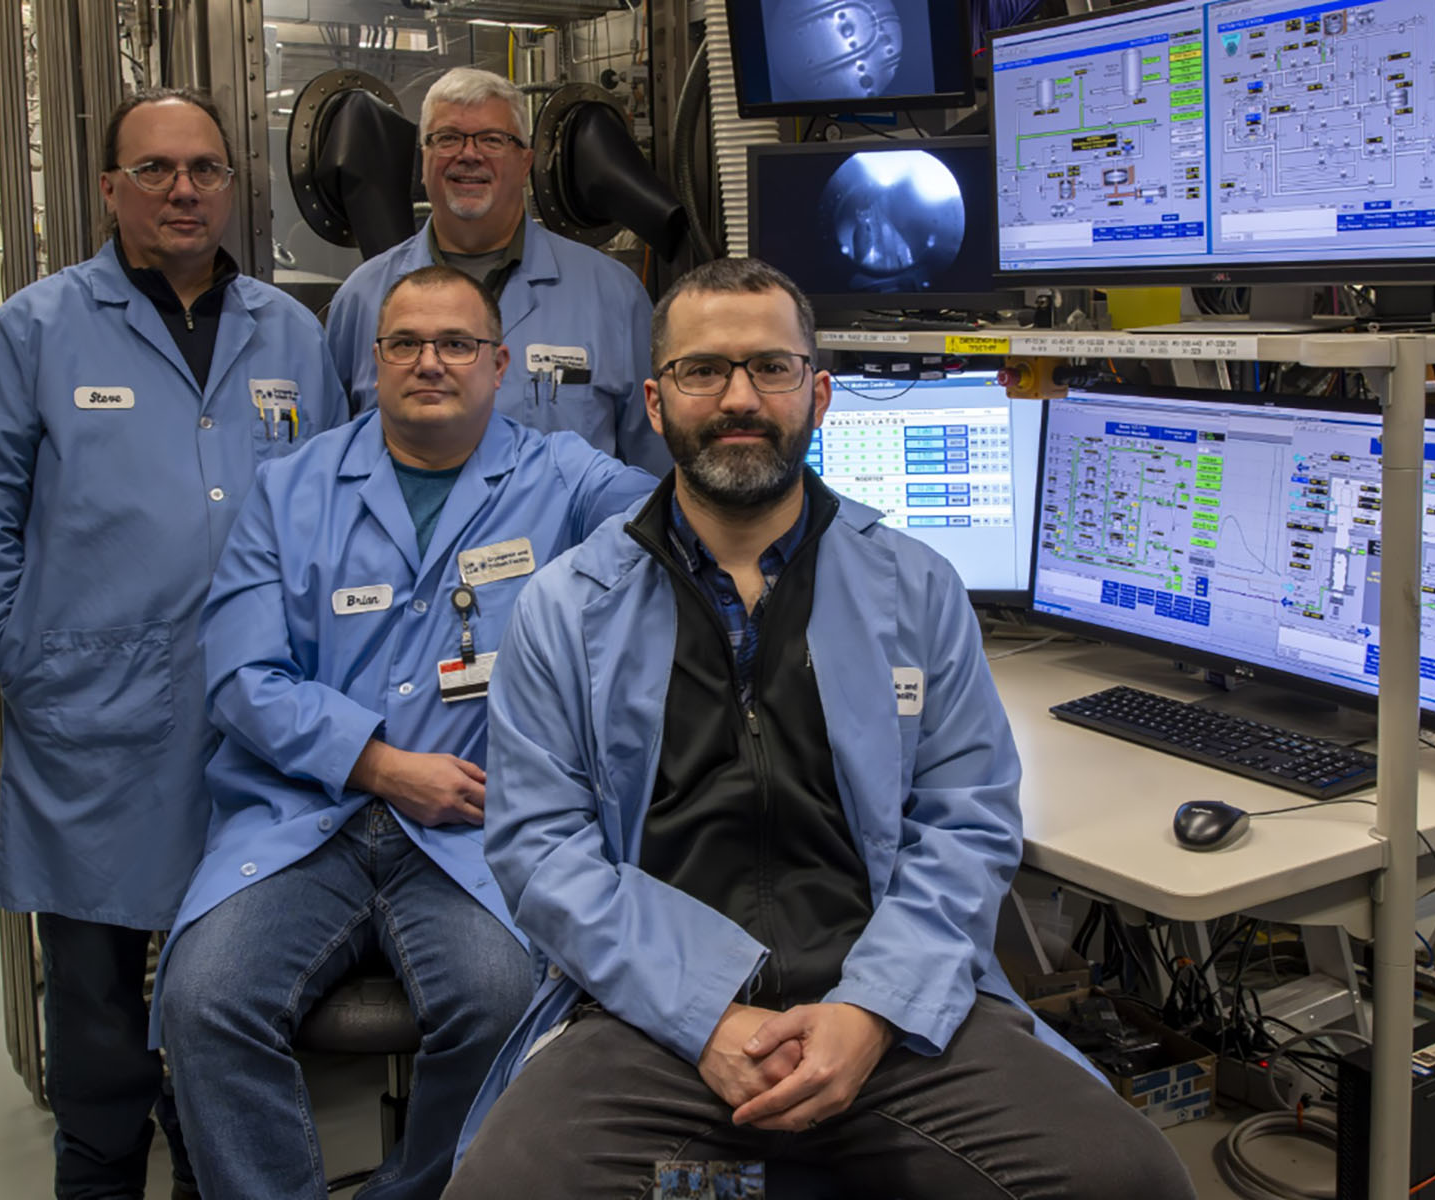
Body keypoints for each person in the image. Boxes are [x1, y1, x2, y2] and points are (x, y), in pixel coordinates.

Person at [444, 259, 1199, 1199]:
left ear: (820, 392)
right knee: (502, 1189)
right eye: (703, 370)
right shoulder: (567, 606)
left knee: (1129, 1180)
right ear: (654, 399)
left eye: (771, 367)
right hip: (652, 1014)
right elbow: (540, 851)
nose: (739, 398)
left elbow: (966, 825)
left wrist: (870, 1011)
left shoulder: (916, 588)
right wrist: (705, 1013)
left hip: (891, 1004)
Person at [155, 265, 657, 1200]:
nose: (431, 363)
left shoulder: (561, 477)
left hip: (474, 830)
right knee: (204, 999)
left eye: (457, 344)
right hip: (307, 815)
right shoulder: (291, 488)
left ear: (499, 363)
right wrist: (379, 764)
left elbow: (677, 518)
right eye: (406, 345)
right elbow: (240, 675)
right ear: (373, 363)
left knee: (506, 1006)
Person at [0, 89, 348, 1199]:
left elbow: (337, 507)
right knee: (101, 1028)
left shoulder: (291, 335)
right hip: (92, 730)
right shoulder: (35, 331)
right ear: (110, 187)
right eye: (155, 170)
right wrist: (16, 652)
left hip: (258, 730)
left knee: (230, 1011)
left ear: (231, 185)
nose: (182, 189)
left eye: (204, 169)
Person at [324, 66, 670, 476]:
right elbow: (331, 465)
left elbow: (654, 472)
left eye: (492, 139)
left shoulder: (612, 295)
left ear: (525, 163)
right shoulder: (363, 298)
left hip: (567, 542)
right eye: (448, 138)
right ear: (423, 162)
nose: (469, 155)